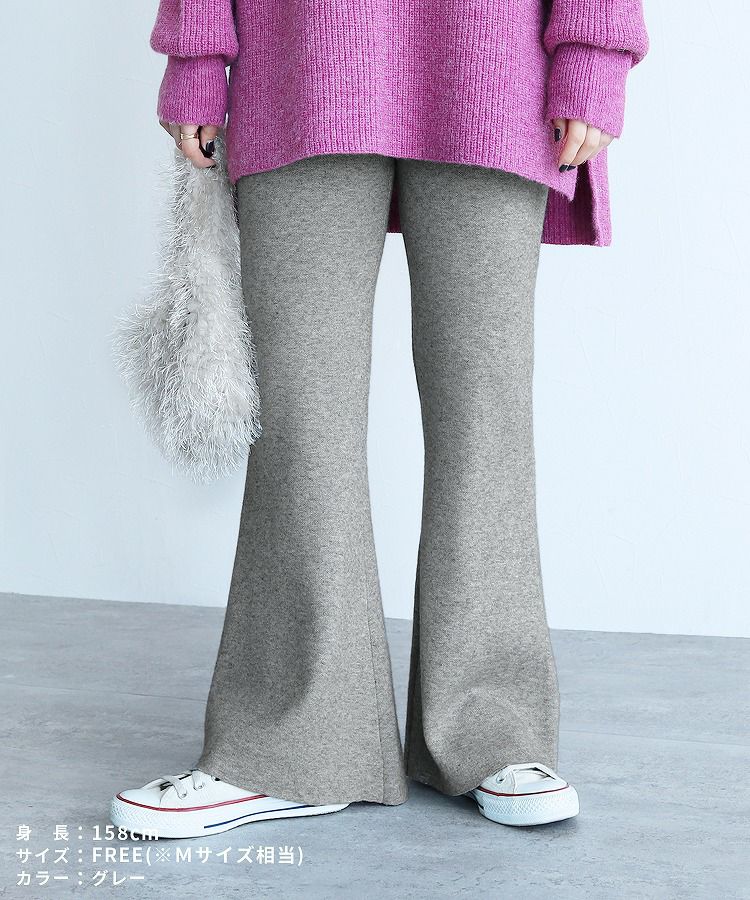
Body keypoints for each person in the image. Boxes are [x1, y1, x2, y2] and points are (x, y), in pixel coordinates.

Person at [110, 0, 649, 837]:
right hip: (298, 57)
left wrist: (594, 50)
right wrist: (195, 55)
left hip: (494, 59)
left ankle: (493, 733)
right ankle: (294, 746)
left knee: (486, 413)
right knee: (299, 415)